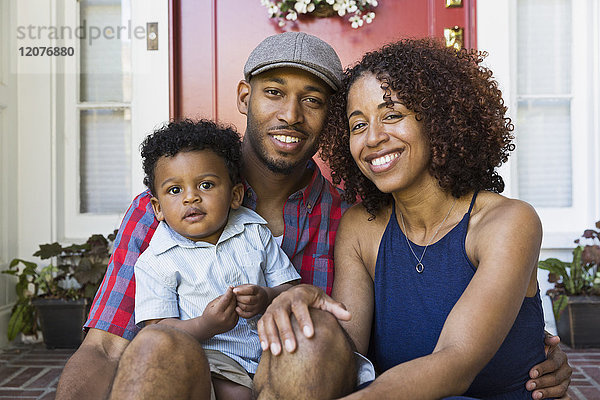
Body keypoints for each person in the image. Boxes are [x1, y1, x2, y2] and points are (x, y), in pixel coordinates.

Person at [56, 33, 571, 400]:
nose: (291, 115)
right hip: (189, 377)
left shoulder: (348, 215)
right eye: (274, 92)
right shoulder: (173, 204)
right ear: (245, 97)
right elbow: (103, 349)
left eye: (315, 101)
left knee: (314, 334)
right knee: (155, 343)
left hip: (307, 385)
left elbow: (364, 348)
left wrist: (529, 349)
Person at [256, 38, 574, 399]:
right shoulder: (363, 228)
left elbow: (456, 363)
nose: (373, 137)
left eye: (392, 115)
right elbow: (346, 351)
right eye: (358, 125)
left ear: (438, 121)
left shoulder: (506, 222)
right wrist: (302, 309)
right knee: (306, 340)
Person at [133, 119, 301, 399]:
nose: (191, 198)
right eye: (175, 190)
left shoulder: (254, 231)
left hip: (270, 355)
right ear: (158, 208)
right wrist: (207, 325)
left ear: (235, 195)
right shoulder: (156, 261)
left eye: (206, 185)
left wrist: (266, 295)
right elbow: (159, 333)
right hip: (209, 361)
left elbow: (291, 290)